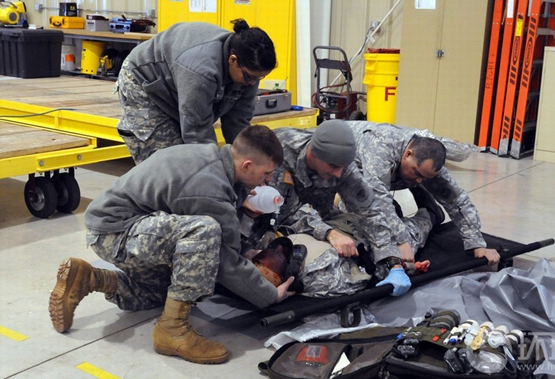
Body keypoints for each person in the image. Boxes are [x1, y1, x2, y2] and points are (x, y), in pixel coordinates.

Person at [48, 125, 294, 365]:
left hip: (123, 224)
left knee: (164, 293)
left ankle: (89, 278)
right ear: (247, 165)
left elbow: (225, 232)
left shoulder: (214, 159)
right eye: (266, 173)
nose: (268, 180)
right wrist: (270, 295)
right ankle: (172, 330)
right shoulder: (209, 186)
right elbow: (226, 262)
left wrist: (245, 250)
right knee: (205, 231)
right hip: (115, 232)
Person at [246, 119, 411, 298]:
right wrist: (329, 233)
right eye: (333, 166)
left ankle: (427, 217)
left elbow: (370, 211)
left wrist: (394, 263)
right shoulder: (279, 156)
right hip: (261, 216)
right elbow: (285, 214)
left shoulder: (341, 164)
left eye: (342, 168)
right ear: (313, 154)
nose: (338, 174)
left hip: (320, 215)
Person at [115, 19, 277, 164]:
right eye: (249, 77)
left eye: (259, 78)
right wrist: (216, 170)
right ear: (232, 60)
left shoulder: (249, 70)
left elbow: (238, 122)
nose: (252, 83)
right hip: (143, 81)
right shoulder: (201, 70)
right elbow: (197, 131)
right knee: (168, 162)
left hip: (177, 85)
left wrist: (249, 162)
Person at [347, 121, 500, 265]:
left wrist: (477, 244)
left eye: (425, 178)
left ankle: (428, 212)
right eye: (417, 173)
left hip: (378, 178)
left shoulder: (425, 162)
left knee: (390, 243)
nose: (420, 180)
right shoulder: (379, 148)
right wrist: (402, 239)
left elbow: (457, 201)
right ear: (408, 154)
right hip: (351, 173)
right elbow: (378, 199)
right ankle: (427, 213)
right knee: (360, 221)